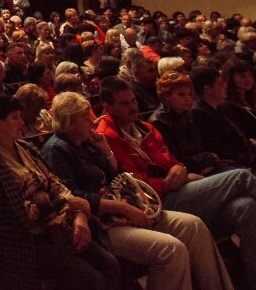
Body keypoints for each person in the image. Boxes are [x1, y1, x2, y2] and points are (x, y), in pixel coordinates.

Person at [95, 78, 256, 290]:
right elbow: (131, 184)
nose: (133, 107)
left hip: (180, 188)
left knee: (247, 207)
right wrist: (172, 179)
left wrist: (180, 169)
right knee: (242, 176)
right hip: (158, 201)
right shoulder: (107, 137)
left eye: (133, 101)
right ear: (108, 107)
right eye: (124, 104)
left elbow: (172, 160)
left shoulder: (145, 128)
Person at [41, 92, 233, 290]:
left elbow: (121, 178)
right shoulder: (56, 149)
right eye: (85, 117)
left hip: (128, 206)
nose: (92, 121)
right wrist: (125, 210)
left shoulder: (88, 144)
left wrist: (106, 152)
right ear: (70, 122)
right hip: (102, 224)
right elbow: (72, 196)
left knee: (193, 225)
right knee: (170, 250)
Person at [0, 95, 118, 290]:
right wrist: (69, 204)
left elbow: (56, 183)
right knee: (91, 278)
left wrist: (79, 215)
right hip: (24, 242)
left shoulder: (26, 148)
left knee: (110, 265)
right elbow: (16, 214)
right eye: (15, 117)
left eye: (20, 116)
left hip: (58, 225)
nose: (22, 122)